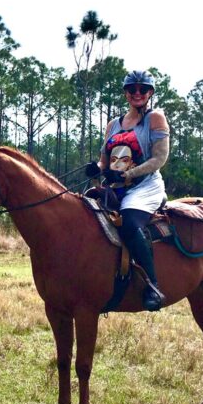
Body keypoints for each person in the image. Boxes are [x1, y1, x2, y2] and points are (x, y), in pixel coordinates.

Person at [85, 70, 170, 310]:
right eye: (132, 89)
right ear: (126, 94)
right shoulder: (114, 124)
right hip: (115, 187)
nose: (137, 93)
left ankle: (152, 285)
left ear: (150, 92)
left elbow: (159, 159)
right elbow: (104, 160)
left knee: (131, 224)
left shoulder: (155, 118)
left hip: (145, 186)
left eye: (143, 89)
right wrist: (97, 168)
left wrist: (128, 174)